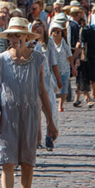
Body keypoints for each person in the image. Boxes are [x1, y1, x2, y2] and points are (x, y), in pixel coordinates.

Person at [0, 18, 57, 188]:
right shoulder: (1, 58)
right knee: (7, 162)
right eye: (11, 35)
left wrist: (50, 121)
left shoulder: (37, 59)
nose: (15, 38)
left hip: (29, 114)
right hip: (7, 114)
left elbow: (42, 91)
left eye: (19, 35)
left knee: (27, 162)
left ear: (26, 37)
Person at [31, 20, 59, 151]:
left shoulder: (49, 43)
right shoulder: (30, 43)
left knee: (51, 109)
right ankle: (37, 139)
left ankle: (50, 136)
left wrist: (59, 79)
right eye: (35, 26)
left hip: (47, 80)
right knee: (35, 111)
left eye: (40, 25)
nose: (38, 28)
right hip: (33, 80)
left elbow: (54, 62)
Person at [74, 10, 95, 107]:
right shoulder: (90, 30)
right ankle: (79, 99)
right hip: (92, 56)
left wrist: (75, 56)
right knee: (84, 78)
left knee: (82, 78)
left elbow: (80, 44)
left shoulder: (82, 31)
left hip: (84, 57)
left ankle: (88, 98)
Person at [48, 15, 73, 112]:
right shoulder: (49, 43)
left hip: (64, 68)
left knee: (64, 88)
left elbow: (69, 55)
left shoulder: (64, 42)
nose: (55, 34)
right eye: (53, 31)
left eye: (57, 32)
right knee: (53, 87)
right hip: (53, 69)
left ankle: (60, 104)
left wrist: (73, 68)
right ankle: (53, 103)